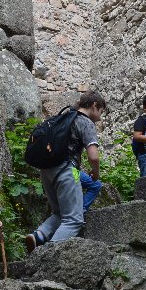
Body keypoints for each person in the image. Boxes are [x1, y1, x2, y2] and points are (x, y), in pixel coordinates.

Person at [25, 91, 106, 252]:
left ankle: (39, 235)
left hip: (46, 170)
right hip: (67, 170)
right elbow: (94, 157)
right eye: (101, 112)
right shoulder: (85, 122)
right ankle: (48, 255)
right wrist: (95, 173)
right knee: (74, 220)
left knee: (60, 213)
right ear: (94, 105)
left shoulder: (65, 117)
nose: (100, 117)